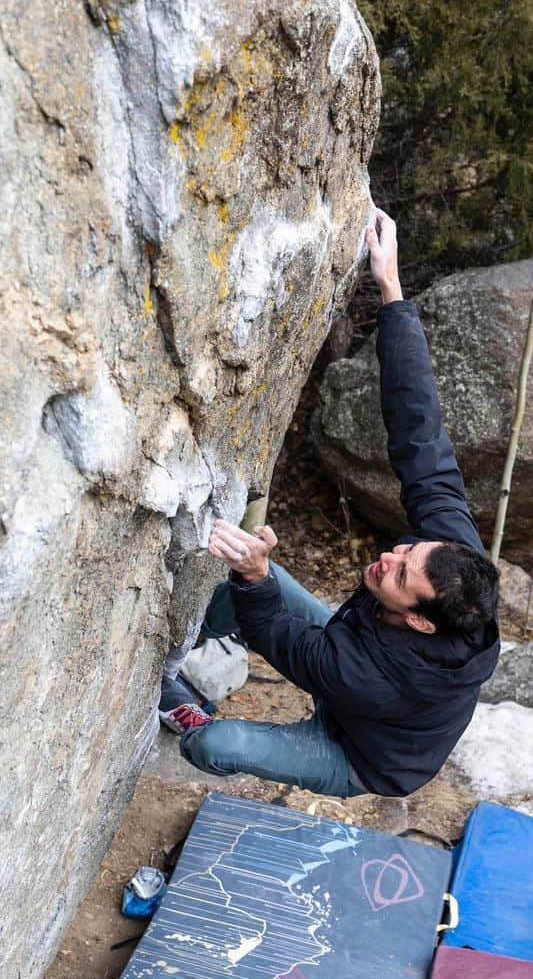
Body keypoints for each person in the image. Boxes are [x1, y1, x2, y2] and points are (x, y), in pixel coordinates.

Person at [159, 209, 500, 799]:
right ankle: (179, 651)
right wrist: (392, 293)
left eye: (400, 573)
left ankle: (187, 714)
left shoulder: (370, 676)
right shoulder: (452, 565)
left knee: (216, 746)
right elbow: (422, 437)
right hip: (358, 653)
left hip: (360, 754)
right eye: (408, 548)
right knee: (232, 596)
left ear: (421, 619)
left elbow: (277, 633)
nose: (390, 556)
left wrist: (256, 575)